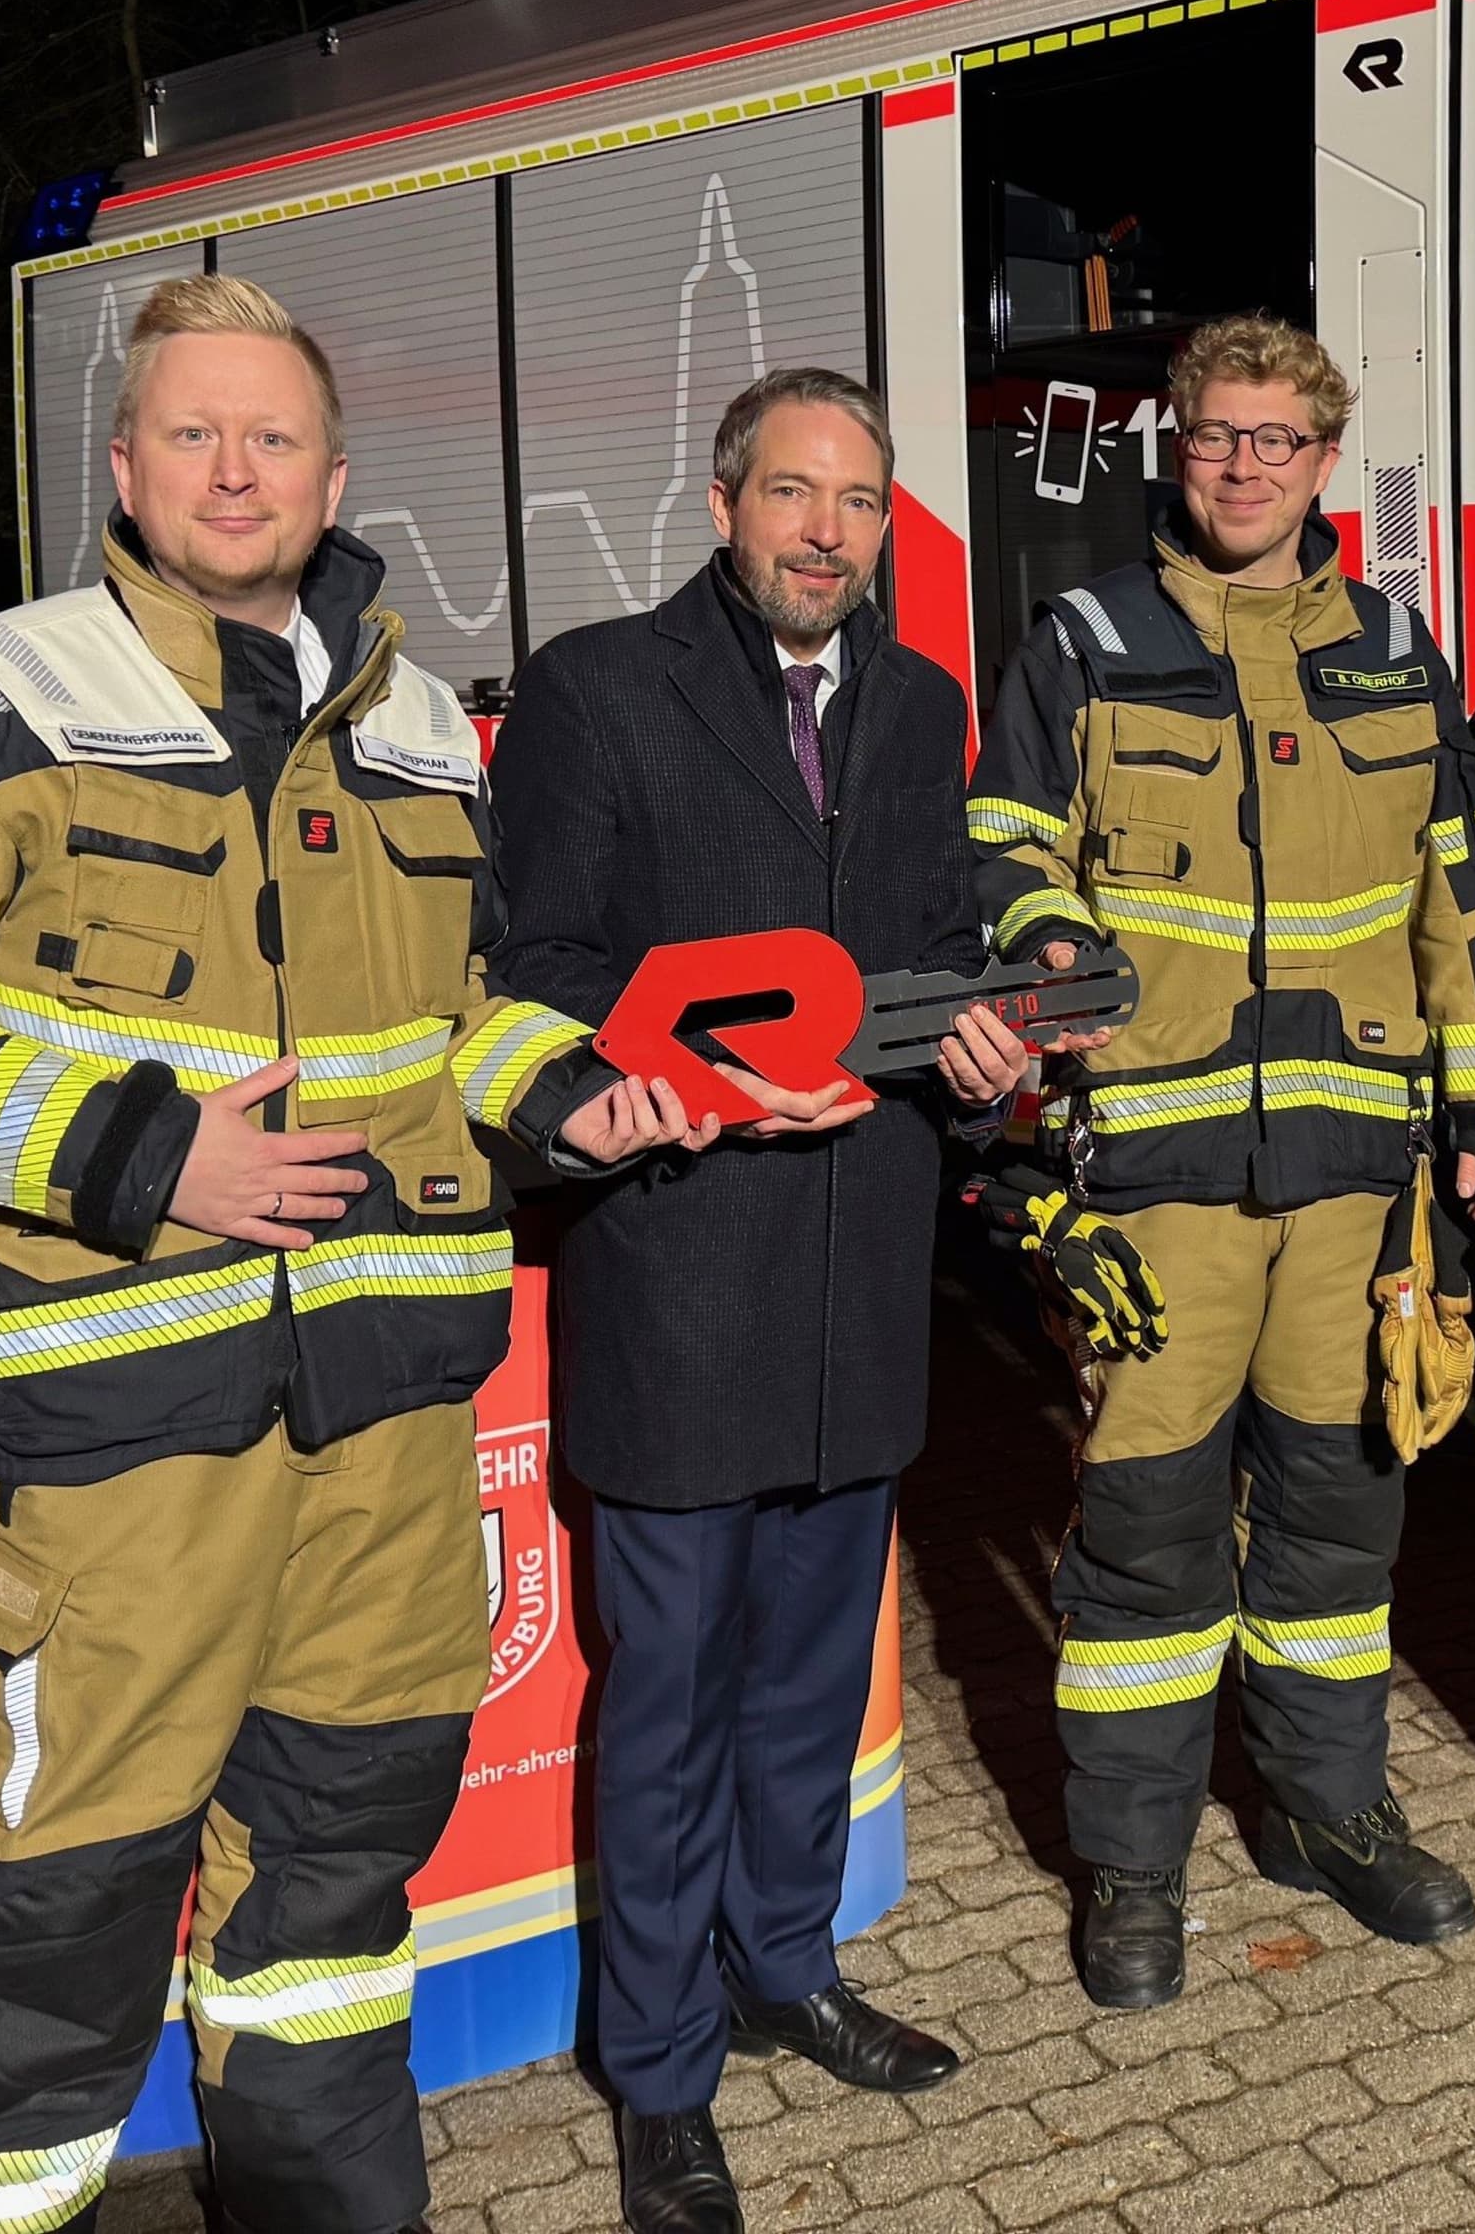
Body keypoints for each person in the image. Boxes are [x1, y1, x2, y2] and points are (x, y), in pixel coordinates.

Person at [0, 273, 693, 2234]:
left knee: (338, 1914)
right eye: (193, 431)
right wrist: (147, 1156)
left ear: (337, 474)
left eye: (273, 435)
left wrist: (573, 1095)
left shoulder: (426, 724)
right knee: (61, 1940)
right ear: (124, 466)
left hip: (384, 1455)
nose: (235, 467)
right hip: (114, 1456)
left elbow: (473, 1010)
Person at [487, 366, 1036, 2234]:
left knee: (810, 1684)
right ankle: (655, 2069)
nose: (827, 532)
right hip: (683, 1269)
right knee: (669, 1708)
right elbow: (538, 960)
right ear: (721, 503)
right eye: (794, 494)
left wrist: (982, 1043)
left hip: (859, 1278)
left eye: (861, 502)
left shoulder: (921, 703)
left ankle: (785, 1969)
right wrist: (640, 1096)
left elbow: (934, 951)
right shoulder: (595, 690)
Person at [963, 314, 1475, 2006]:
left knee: (1341, 1521)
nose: (1242, 466)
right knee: (1144, 1531)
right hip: (1159, 1164)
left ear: (1323, 461)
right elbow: (1006, 839)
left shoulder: (1397, 650)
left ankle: (1326, 1812)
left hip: (1356, 1169)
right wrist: (1052, 950)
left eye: (1276, 441)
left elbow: (1467, 897)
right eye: (1215, 436)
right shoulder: (1085, 636)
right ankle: (1133, 1866)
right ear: (1175, 450)